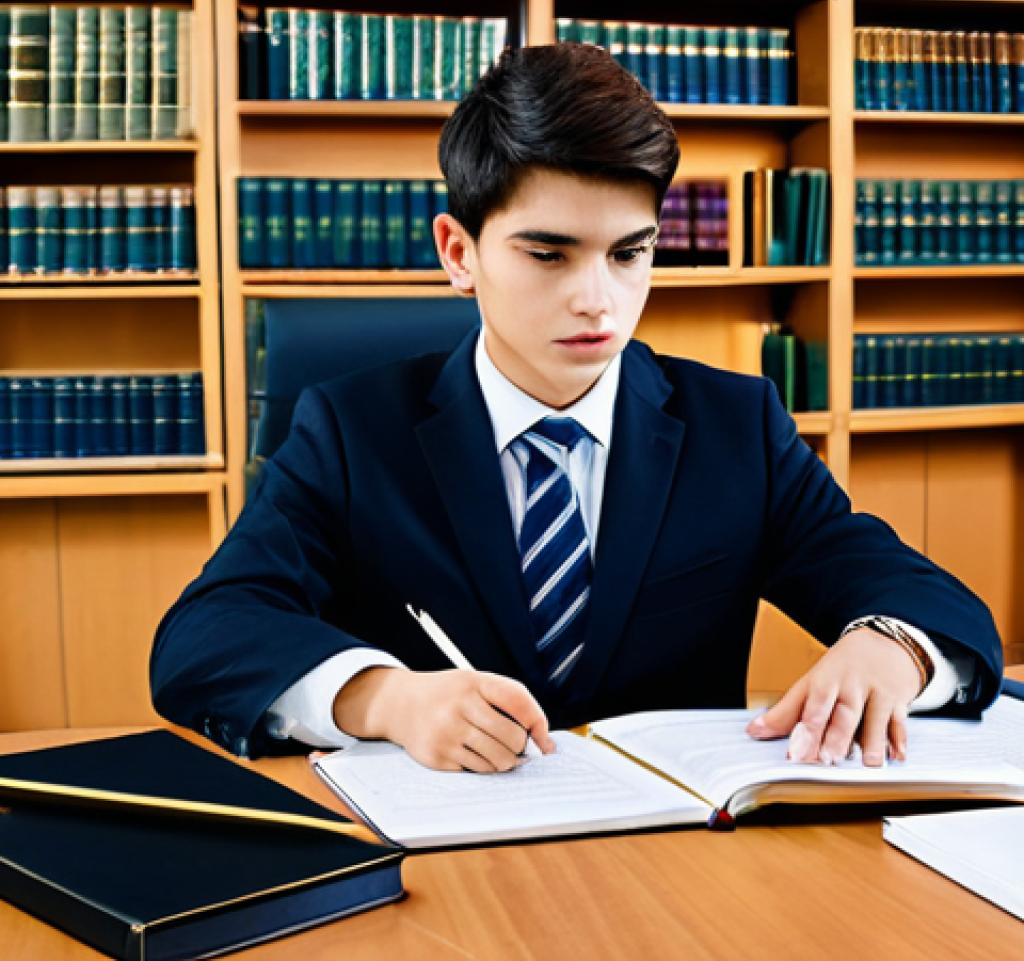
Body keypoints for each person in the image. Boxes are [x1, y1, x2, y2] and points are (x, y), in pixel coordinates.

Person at [150, 43, 1002, 772]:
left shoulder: (735, 426)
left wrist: (891, 647)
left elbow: (930, 600)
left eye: (628, 254)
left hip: (676, 861)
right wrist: (386, 699)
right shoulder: (351, 431)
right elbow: (204, 636)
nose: (598, 300)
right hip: (442, 858)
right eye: (549, 254)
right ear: (459, 252)